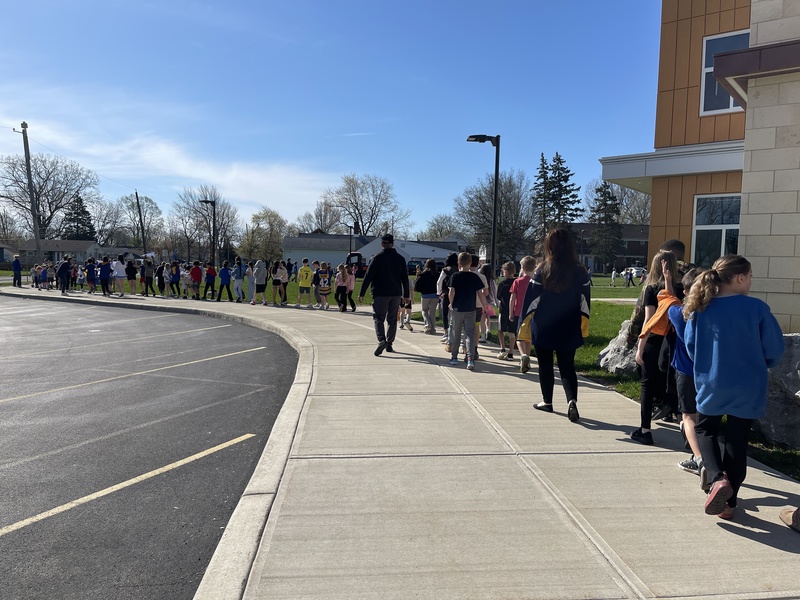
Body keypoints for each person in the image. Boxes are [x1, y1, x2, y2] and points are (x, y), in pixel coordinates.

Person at [684, 255, 784, 519]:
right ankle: (730, 504)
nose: (751, 281)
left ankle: (717, 479)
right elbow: (773, 348)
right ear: (740, 278)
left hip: (712, 381)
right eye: (750, 276)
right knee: (737, 440)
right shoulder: (757, 309)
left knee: (706, 429)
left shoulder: (701, 308)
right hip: (748, 383)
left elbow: (691, 347)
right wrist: (766, 361)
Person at [522, 228, 590, 422]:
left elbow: (531, 302)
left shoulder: (542, 270)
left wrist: (524, 326)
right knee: (567, 366)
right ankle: (572, 401)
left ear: (548, 246)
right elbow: (585, 302)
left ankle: (547, 402)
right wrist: (583, 325)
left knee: (545, 365)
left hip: (544, 326)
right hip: (569, 325)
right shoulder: (580, 272)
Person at [629, 251, 681, 445]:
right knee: (672, 381)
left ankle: (645, 429)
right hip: (675, 340)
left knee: (647, 385)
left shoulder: (652, 289)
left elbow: (649, 320)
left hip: (655, 340)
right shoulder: (681, 288)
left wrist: (640, 346)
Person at [665, 266, 706, 475]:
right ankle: (705, 455)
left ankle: (699, 459)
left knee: (688, 417)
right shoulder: (712, 314)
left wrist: (667, 281)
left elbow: (668, 300)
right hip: (708, 373)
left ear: (685, 292)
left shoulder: (678, 313)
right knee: (704, 416)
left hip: (685, 371)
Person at [358, 233, 410, 356]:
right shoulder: (400, 259)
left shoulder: (377, 258)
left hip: (380, 293)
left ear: (382, 244)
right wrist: (406, 294)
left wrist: (362, 292)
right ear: (393, 243)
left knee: (378, 318)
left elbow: (368, 276)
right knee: (392, 319)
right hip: (396, 293)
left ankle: (382, 340)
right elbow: (405, 279)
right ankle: (390, 343)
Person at [447, 251, 488, 371]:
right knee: (469, 333)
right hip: (471, 308)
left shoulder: (455, 276)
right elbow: (480, 293)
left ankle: (454, 357)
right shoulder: (474, 276)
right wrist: (484, 306)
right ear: (470, 263)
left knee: (456, 332)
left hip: (457, 308)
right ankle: (470, 358)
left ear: (458, 263)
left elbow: (451, 292)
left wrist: (451, 303)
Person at [510, 256, 536, 373]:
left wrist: (510, 313)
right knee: (528, 336)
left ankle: (523, 355)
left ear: (522, 268)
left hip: (518, 312)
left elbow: (512, 298)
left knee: (519, 336)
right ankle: (527, 357)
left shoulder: (517, 281)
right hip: (532, 313)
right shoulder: (535, 282)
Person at [496, 261, 517, 360]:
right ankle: (511, 352)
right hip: (513, 310)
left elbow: (498, 296)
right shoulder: (516, 282)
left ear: (505, 272)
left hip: (503, 309)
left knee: (501, 330)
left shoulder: (502, 283)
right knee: (512, 332)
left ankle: (502, 348)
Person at [436, 253, 458, 343]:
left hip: (446, 293)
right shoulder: (458, 269)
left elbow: (439, 282)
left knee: (445, 313)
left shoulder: (445, 270)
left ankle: (446, 332)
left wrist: (439, 292)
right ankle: (454, 332)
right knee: (455, 314)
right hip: (458, 294)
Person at [414, 258, 439, 334]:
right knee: (432, 312)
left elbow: (417, 285)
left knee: (424, 310)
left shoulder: (423, 274)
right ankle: (433, 329)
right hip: (435, 295)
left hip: (425, 295)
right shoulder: (437, 274)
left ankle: (427, 324)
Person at [478, 263, 497, 343]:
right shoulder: (492, 281)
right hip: (490, 301)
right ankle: (488, 330)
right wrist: (496, 302)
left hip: (482, 302)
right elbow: (495, 291)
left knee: (482, 319)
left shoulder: (481, 279)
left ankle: (482, 336)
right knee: (488, 317)